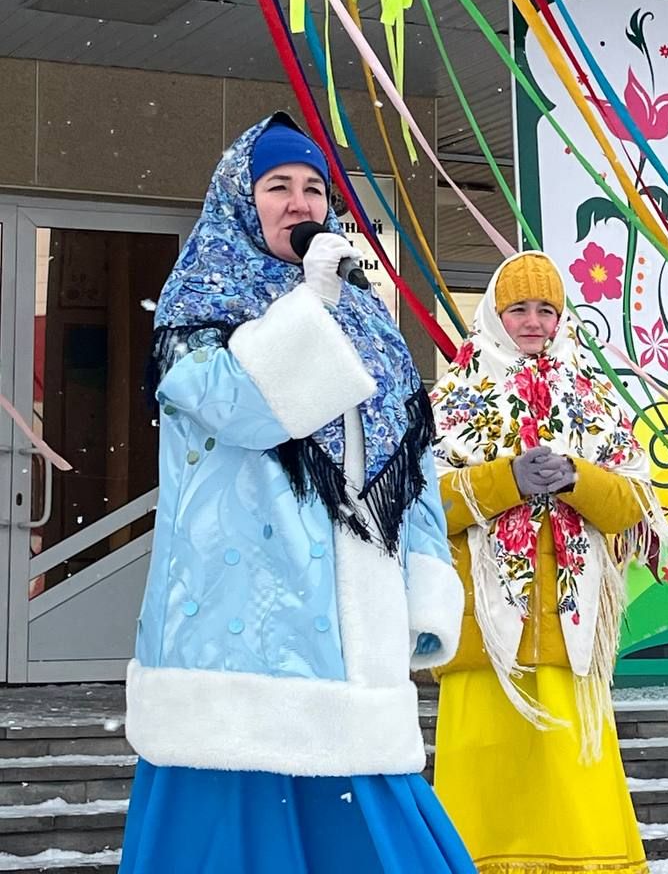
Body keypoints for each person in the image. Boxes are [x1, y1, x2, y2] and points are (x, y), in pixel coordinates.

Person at [119, 113, 474, 874]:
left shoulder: (369, 320)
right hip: (238, 632)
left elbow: (412, 463)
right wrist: (306, 312)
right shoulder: (198, 304)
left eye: (314, 187)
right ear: (241, 201)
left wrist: (425, 586)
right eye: (277, 185)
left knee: (374, 829)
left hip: (355, 637)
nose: (299, 201)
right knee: (230, 830)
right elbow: (235, 408)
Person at [429, 251, 668, 874]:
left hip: (573, 634)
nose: (534, 321)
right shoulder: (454, 396)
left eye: (547, 309)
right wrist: (503, 479)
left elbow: (634, 504)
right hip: (484, 639)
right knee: (483, 798)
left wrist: (578, 479)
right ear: (493, 312)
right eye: (519, 308)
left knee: (575, 795)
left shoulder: (591, 395)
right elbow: (419, 506)